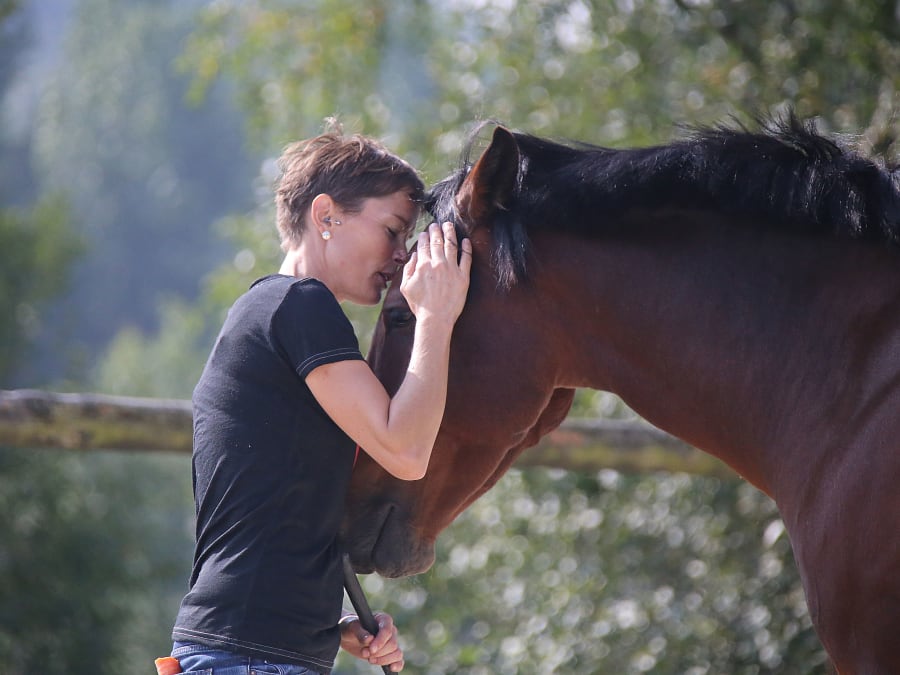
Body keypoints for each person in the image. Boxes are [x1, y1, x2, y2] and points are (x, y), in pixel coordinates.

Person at [166, 121, 472, 675]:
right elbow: (405, 451)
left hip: (250, 651)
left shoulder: (276, 313)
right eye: (392, 230)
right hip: (249, 659)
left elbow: (269, 514)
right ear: (326, 216)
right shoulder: (299, 305)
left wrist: (330, 630)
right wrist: (438, 315)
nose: (401, 256)